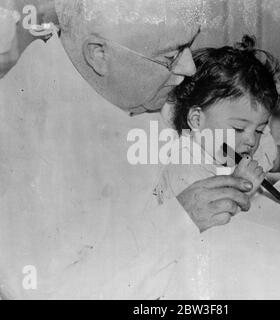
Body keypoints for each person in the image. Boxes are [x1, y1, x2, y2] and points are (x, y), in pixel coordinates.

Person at [0, 0, 253, 299]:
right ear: (98, 54)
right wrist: (179, 220)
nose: (189, 67)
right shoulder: (28, 133)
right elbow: (51, 292)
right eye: (171, 56)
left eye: (189, 46)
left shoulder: (120, 87)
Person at [156, 36, 280, 206]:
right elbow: (197, 218)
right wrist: (237, 183)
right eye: (239, 128)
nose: (251, 140)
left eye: (259, 130)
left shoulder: (247, 150)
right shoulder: (184, 163)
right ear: (197, 120)